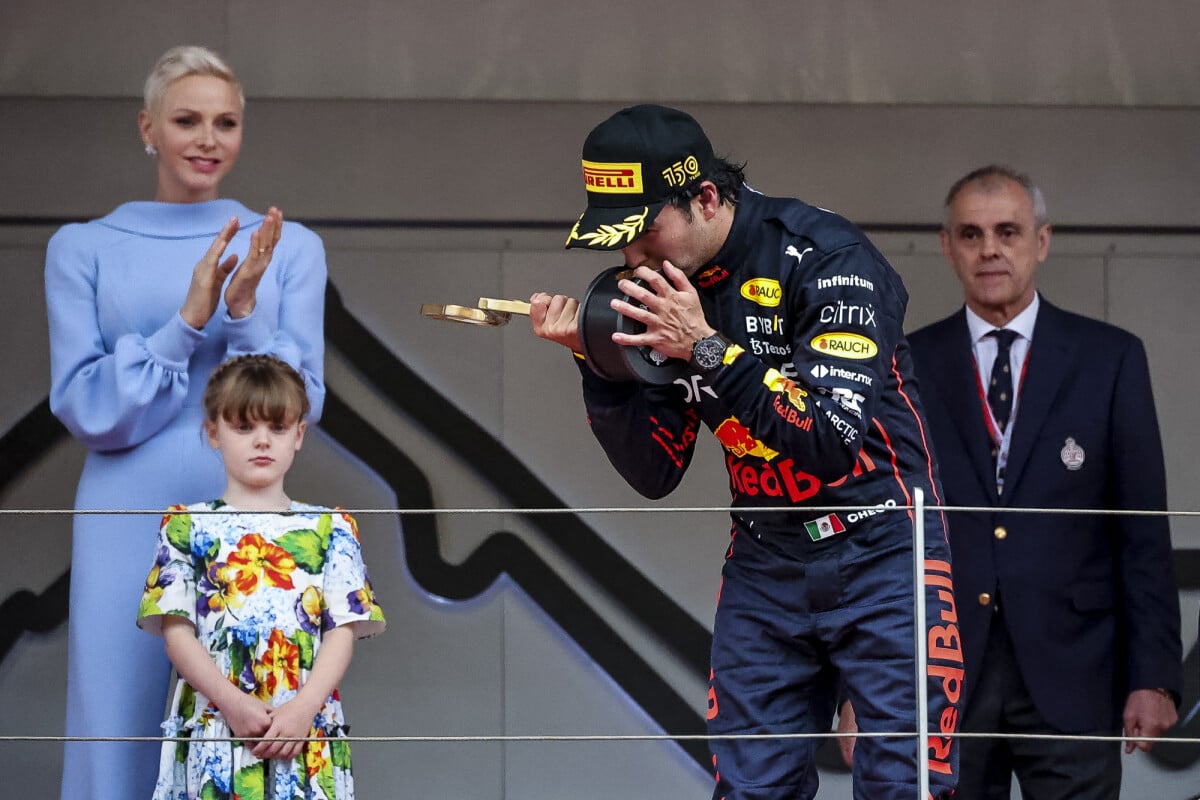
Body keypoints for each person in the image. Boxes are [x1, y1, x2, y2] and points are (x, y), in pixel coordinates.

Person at [529, 104, 962, 800]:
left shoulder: (829, 257)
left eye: (645, 233)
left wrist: (704, 345)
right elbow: (654, 470)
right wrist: (599, 366)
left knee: (903, 787)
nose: (633, 260)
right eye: (619, 242)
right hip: (766, 555)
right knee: (751, 789)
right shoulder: (662, 290)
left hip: (885, 547)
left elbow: (828, 440)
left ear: (705, 197)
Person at [44, 45, 327, 800]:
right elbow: (85, 406)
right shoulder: (81, 248)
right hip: (123, 514)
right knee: (118, 720)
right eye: (188, 119)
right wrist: (186, 322)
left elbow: (302, 403)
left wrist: (240, 314)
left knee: (252, 721)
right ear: (148, 127)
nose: (208, 138)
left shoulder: (292, 248)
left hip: (250, 514)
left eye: (226, 122)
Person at [905, 164, 1182, 798]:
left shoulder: (1110, 358)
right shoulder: (908, 365)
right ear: (948, 247)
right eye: (971, 235)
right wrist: (854, 686)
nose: (990, 249)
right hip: (942, 677)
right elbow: (879, 533)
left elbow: (1141, 530)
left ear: (1042, 241)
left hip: (1076, 669)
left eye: (1007, 231)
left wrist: (1156, 675)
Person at [136, 354, 384, 799]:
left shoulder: (332, 527)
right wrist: (232, 703)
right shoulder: (185, 525)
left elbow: (342, 630)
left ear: (299, 435)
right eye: (244, 427)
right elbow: (177, 632)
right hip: (217, 728)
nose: (262, 442)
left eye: (278, 427)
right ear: (213, 432)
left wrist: (303, 710)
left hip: (306, 731)